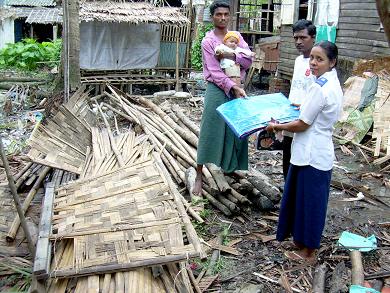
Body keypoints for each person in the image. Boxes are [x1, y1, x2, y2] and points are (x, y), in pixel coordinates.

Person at [265, 41, 343, 263]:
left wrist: (276, 127)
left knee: (311, 203)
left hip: (312, 154)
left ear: (332, 62)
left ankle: (309, 253)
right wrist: (303, 107)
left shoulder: (320, 87)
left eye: (320, 59)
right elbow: (316, 109)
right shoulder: (331, 83)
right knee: (303, 199)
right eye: (313, 58)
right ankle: (301, 242)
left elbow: (302, 124)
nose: (314, 63)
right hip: (315, 151)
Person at [193, 0, 253, 195]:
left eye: (226, 15)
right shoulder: (208, 41)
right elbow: (214, 71)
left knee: (236, 129)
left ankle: (229, 170)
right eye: (219, 14)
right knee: (210, 129)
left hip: (238, 88)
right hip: (217, 90)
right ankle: (199, 175)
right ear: (212, 17)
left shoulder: (236, 37)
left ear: (230, 16)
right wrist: (233, 87)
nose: (223, 18)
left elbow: (248, 59)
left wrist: (231, 55)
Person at [282, 20, 316, 180]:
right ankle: (287, 197)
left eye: (303, 38)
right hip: (291, 116)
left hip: (307, 120)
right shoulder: (297, 61)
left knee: (303, 160)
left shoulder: (318, 64)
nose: (298, 42)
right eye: (296, 38)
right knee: (287, 158)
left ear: (313, 38)